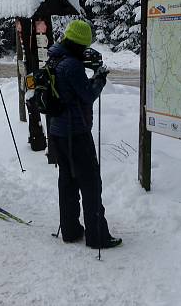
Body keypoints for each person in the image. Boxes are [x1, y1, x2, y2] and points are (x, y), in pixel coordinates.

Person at [46, 20, 121, 250]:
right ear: (79, 43)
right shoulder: (72, 65)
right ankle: (97, 236)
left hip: (57, 133)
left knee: (67, 182)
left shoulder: (55, 58)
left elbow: (70, 91)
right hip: (76, 134)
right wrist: (99, 78)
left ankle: (70, 230)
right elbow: (87, 96)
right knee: (90, 184)